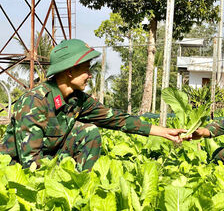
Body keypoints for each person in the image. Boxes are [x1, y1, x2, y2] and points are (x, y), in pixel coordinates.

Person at [0, 39, 186, 171]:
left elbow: (116, 119)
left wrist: (163, 132)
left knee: (89, 132)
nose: (90, 75)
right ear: (71, 71)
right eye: (86, 69)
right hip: (15, 171)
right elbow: (30, 163)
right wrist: (64, 169)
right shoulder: (35, 101)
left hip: (49, 163)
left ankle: (80, 186)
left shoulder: (77, 99)